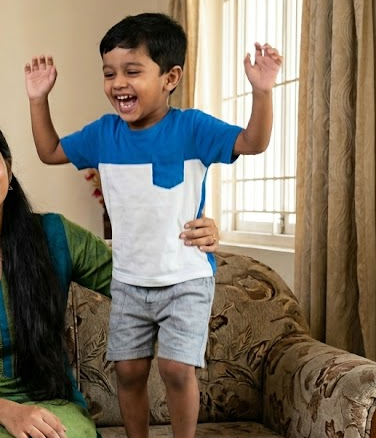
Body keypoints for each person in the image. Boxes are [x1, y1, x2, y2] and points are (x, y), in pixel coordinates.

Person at [24, 13, 281, 438]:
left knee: (177, 369)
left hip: (185, 277)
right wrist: (38, 99)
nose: (118, 83)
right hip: (129, 281)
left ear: (170, 77)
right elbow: (49, 150)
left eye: (132, 71)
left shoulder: (192, 128)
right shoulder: (104, 134)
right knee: (127, 370)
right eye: (109, 73)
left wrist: (262, 92)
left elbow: (252, 142)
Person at [0, 111, 221, 438]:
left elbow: (139, 282)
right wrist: (7, 411)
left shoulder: (55, 236)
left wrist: (193, 240)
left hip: (49, 406)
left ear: (8, 167)